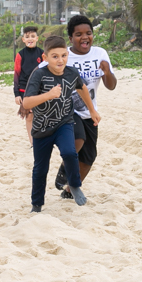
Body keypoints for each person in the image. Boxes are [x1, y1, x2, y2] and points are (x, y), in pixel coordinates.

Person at [23, 36, 100, 213]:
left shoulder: (72, 73)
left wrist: (92, 111)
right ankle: (36, 205)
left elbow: (82, 88)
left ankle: (74, 185)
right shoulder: (39, 75)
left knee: (69, 152)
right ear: (45, 58)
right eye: (55, 56)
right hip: (42, 128)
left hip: (64, 123)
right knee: (40, 169)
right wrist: (48, 95)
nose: (60, 60)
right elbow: (27, 103)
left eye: (64, 55)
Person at [51, 14, 117, 199]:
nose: (84, 37)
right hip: (65, 108)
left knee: (89, 157)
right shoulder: (64, 55)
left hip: (89, 110)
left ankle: (70, 190)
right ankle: (65, 166)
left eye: (88, 33)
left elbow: (111, 85)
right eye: (78, 34)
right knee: (77, 137)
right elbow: (40, 70)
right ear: (70, 38)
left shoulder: (100, 54)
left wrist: (106, 72)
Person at [13, 26, 44, 142]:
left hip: (40, 90)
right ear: (23, 39)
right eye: (27, 37)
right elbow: (16, 74)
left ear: (37, 38)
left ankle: (42, 139)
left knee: (41, 115)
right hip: (24, 91)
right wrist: (16, 94)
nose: (30, 39)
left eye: (32, 36)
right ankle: (32, 142)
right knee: (29, 116)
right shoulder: (20, 55)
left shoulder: (42, 54)